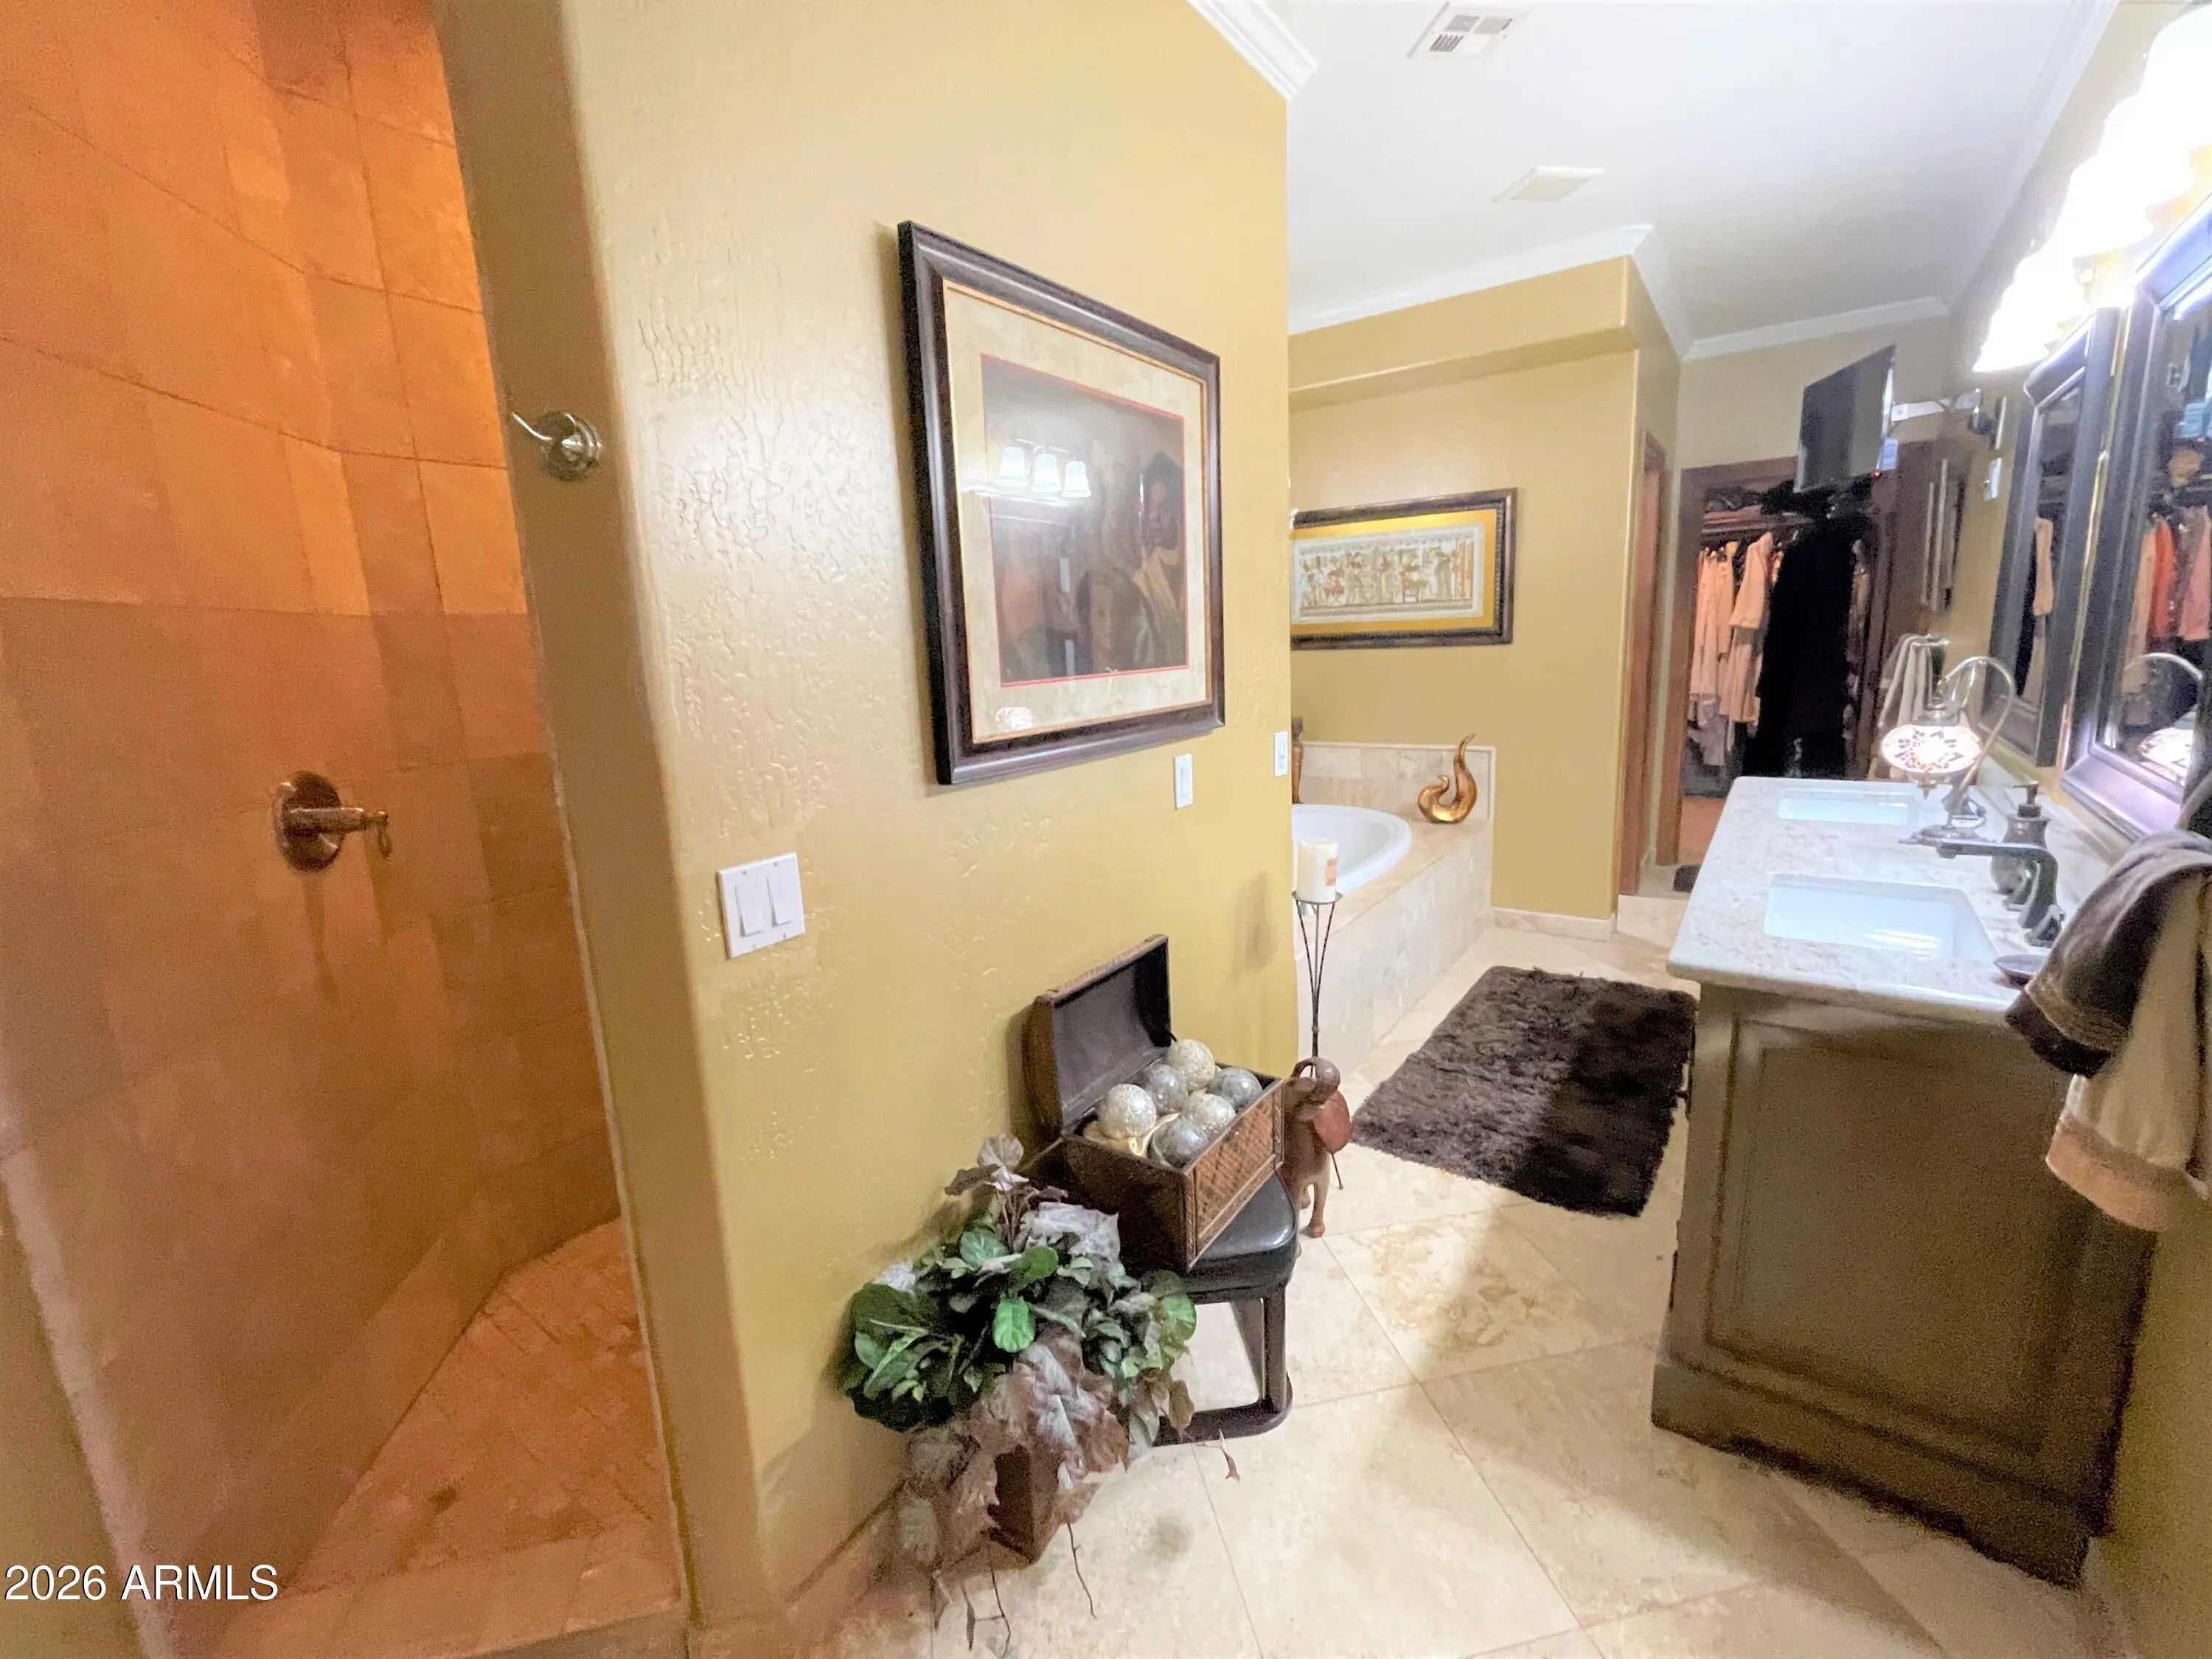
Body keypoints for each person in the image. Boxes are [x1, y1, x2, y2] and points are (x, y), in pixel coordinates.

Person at [1132, 452, 1188, 668]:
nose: (1154, 518)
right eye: (1150, 509)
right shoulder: (1142, 580)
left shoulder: (1203, 568)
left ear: (1179, 509)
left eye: (1163, 508)